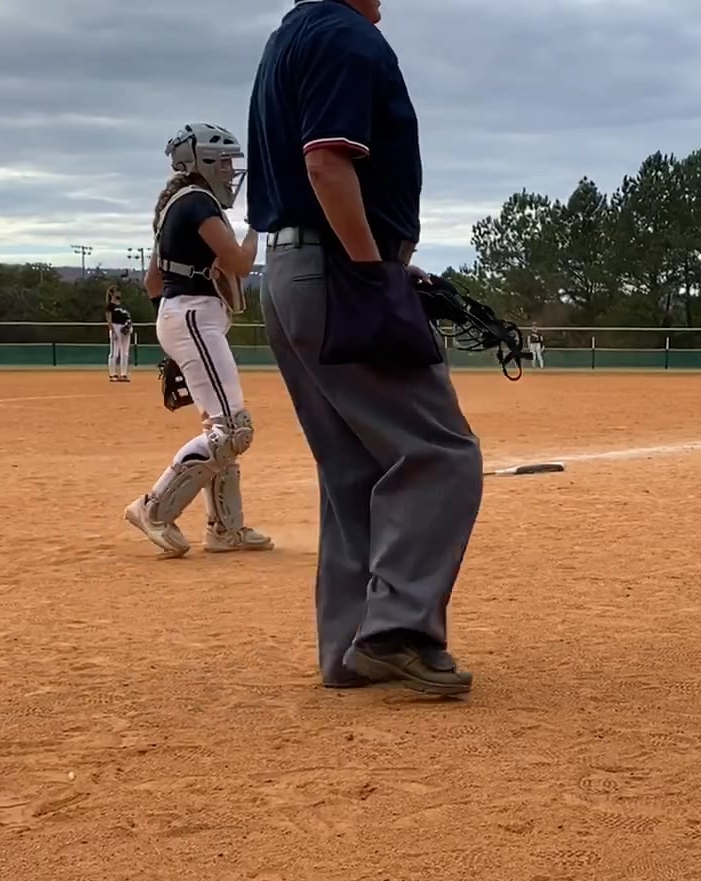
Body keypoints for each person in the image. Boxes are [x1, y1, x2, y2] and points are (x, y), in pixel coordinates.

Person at [247, 0, 484, 698]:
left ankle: (351, 647)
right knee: (440, 452)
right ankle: (397, 632)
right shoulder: (343, 34)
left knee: (353, 467)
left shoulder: (291, 36)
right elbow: (326, 164)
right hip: (338, 272)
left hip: (293, 273)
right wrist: (374, 271)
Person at [123, 122, 274, 558]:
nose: (230, 171)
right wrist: (258, 226)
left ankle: (226, 529)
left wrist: (175, 334)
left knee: (221, 427)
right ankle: (153, 508)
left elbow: (154, 282)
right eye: (223, 162)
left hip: (186, 318)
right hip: (194, 317)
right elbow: (240, 263)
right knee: (233, 430)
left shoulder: (176, 204)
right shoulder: (197, 202)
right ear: (201, 161)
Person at [105, 283, 134, 382]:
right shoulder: (110, 306)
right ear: (112, 293)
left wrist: (128, 325)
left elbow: (128, 316)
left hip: (124, 327)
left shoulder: (123, 305)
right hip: (115, 327)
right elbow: (109, 320)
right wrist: (112, 331)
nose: (119, 293)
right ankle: (112, 374)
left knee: (125, 353)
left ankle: (123, 374)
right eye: (117, 291)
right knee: (114, 352)